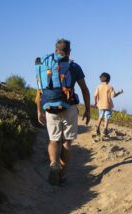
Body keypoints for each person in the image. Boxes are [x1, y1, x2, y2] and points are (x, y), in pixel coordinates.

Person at [36, 39, 91, 185]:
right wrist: (87, 110)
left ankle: (53, 163)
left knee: (53, 140)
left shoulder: (45, 65)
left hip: (49, 107)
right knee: (67, 142)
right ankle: (63, 171)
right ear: (69, 51)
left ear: (55, 49)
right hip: (68, 107)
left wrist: (39, 111)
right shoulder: (74, 66)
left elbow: (39, 90)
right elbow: (85, 90)